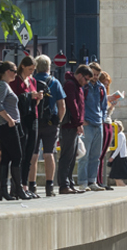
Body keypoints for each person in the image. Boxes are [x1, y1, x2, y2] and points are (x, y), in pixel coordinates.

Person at [0, 61, 26, 200]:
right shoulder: (2, 85)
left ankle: (4, 190)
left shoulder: (5, 85)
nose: (16, 74)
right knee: (17, 156)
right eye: (14, 71)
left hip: (8, 125)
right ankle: (18, 189)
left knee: (6, 157)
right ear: (7, 71)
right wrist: (10, 119)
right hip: (7, 125)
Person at [32, 54, 64, 195]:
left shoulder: (31, 81)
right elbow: (62, 105)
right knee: (49, 153)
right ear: (49, 67)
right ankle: (49, 186)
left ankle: (31, 185)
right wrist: (58, 120)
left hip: (34, 121)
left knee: (33, 155)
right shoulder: (55, 82)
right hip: (50, 123)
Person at [12, 57, 41, 198]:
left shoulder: (33, 81)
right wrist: (30, 95)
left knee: (30, 151)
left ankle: (25, 184)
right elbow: (15, 98)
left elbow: (33, 102)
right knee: (21, 151)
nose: (31, 72)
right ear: (22, 66)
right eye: (29, 69)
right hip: (21, 117)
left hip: (32, 116)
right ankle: (17, 185)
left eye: (33, 70)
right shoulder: (16, 81)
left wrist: (37, 98)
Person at [57, 62, 86, 193]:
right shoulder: (70, 84)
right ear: (79, 75)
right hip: (69, 124)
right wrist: (78, 122)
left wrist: (79, 122)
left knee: (72, 156)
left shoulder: (77, 85)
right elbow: (72, 104)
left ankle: (70, 183)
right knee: (67, 156)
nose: (86, 82)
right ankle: (64, 185)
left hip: (74, 125)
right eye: (86, 79)